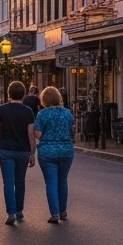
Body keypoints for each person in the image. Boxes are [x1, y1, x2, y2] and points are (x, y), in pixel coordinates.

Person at [0, 80, 37, 225]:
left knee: (8, 182)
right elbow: (31, 133)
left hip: (5, 149)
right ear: (23, 94)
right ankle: (19, 210)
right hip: (22, 150)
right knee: (20, 181)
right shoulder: (28, 111)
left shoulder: (1, 110)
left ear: (9, 93)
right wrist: (32, 152)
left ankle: (11, 212)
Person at [34, 85, 75, 223]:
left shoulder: (42, 114)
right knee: (62, 181)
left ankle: (55, 213)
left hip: (47, 152)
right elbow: (71, 130)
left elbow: (38, 134)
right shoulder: (67, 113)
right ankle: (63, 211)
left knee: (51, 182)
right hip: (66, 150)